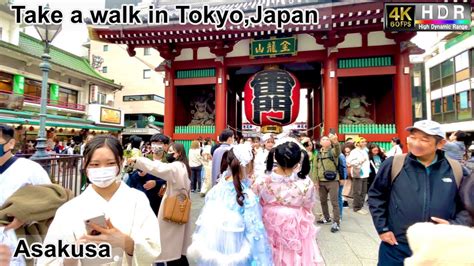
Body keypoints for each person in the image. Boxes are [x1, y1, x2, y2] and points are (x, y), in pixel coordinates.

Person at [39, 135, 161, 265]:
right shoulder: (69, 210)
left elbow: (153, 248)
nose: (102, 169)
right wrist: (72, 255)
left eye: (110, 163)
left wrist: (125, 242)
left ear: (121, 162)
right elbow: (48, 260)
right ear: (85, 165)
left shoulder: (137, 200)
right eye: (95, 164)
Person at [368, 120, 472, 266]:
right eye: (413, 137)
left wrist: (455, 224)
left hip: (439, 249)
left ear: (440, 144)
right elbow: (376, 196)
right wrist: (382, 228)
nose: (416, 143)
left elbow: (469, 207)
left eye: (424, 139)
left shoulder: (457, 170)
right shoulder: (394, 164)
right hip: (397, 246)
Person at [187, 144, 273, 265]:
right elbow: (255, 234)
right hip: (239, 253)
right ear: (248, 165)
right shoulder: (247, 196)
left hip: (214, 249)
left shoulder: (216, 190)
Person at [253, 140, 324, 265]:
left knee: (270, 251)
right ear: (298, 161)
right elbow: (309, 204)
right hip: (295, 220)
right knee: (293, 253)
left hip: (268, 219)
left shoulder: (263, 180)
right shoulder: (306, 183)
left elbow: (255, 200)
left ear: (275, 157)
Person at [129, 142, 192, 265]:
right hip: (180, 207)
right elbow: (159, 167)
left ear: (178, 153)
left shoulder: (176, 167)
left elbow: (157, 168)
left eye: (171, 152)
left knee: (171, 247)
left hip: (173, 209)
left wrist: (138, 160)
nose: (168, 154)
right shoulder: (183, 166)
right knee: (178, 247)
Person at [0, 124, 52, 266]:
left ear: (10, 143)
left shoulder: (29, 169)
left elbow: (51, 200)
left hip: (18, 243)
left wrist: (26, 215)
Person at [404, 172, 474, 265]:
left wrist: (453, 226)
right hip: (396, 244)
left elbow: (414, 231)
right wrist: (383, 228)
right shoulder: (394, 164)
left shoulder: (455, 169)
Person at [314, 134, 342, 233]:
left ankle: (336, 222)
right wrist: (315, 181)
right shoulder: (317, 153)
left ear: (330, 142)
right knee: (323, 201)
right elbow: (315, 168)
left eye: (327, 139)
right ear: (320, 142)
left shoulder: (333, 151)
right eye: (323, 139)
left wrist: (335, 142)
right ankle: (326, 217)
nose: (325, 141)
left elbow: (338, 151)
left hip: (333, 181)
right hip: (321, 181)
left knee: (334, 202)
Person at [347, 137, 370, 215]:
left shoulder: (365, 151)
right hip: (358, 173)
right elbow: (349, 162)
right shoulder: (354, 152)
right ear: (358, 143)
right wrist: (360, 161)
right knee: (357, 191)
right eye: (362, 142)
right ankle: (356, 207)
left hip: (365, 173)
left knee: (363, 191)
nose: (364, 143)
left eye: (365, 141)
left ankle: (361, 206)